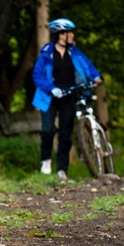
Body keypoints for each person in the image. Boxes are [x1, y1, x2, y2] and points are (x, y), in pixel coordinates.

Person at [32, 18, 103, 181]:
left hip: (69, 96)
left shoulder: (75, 53)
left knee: (65, 134)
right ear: (60, 35)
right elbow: (37, 75)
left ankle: (62, 170)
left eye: (71, 32)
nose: (71, 35)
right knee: (48, 130)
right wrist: (52, 88)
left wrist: (96, 77)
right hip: (50, 97)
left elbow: (87, 66)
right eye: (68, 32)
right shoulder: (46, 53)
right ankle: (46, 162)